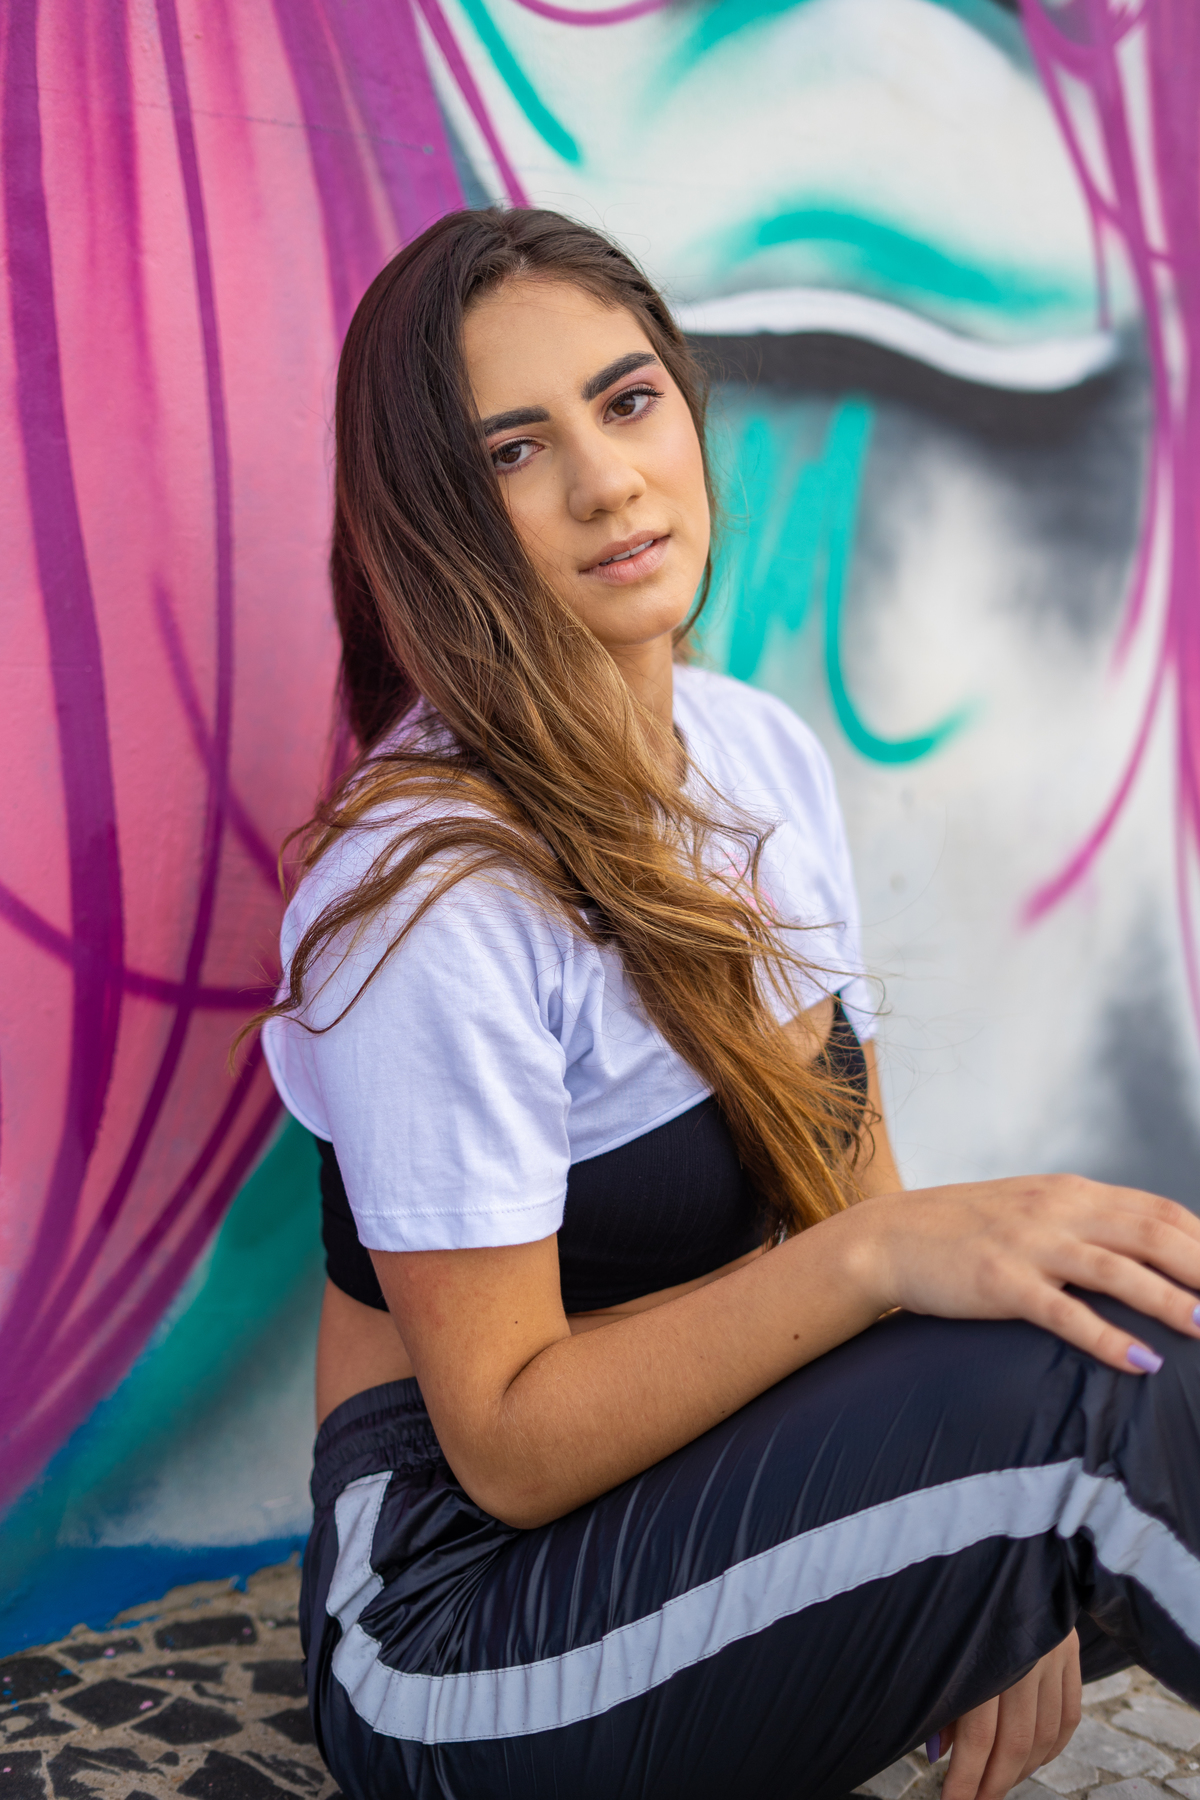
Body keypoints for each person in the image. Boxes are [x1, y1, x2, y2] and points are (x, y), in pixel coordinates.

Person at [256, 208, 1200, 1800]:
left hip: (685, 1519)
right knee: (1090, 1406)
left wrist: (1008, 1556)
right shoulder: (428, 894)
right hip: (454, 1634)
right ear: (437, 516)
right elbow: (505, 1440)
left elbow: (859, 1188)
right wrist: (888, 1275)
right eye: (513, 451)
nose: (608, 481)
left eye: (628, 403)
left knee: (1118, 1320)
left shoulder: (753, 755)